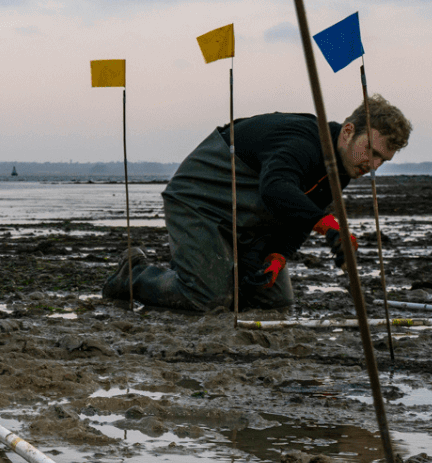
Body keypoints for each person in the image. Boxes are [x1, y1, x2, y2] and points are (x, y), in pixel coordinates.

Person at [103, 96, 410, 313]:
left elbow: (297, 217)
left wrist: (278, 255)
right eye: (370, 150)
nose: (374, 164)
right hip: (200, 203)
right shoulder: (304, 141)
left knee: (274, 301)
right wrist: (328, 225)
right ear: (348, 131)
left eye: (383, 159)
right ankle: (134, 274)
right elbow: (276, 189)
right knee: (206, 300)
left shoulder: (342, 168)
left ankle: (204, 268)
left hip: (248, 224)